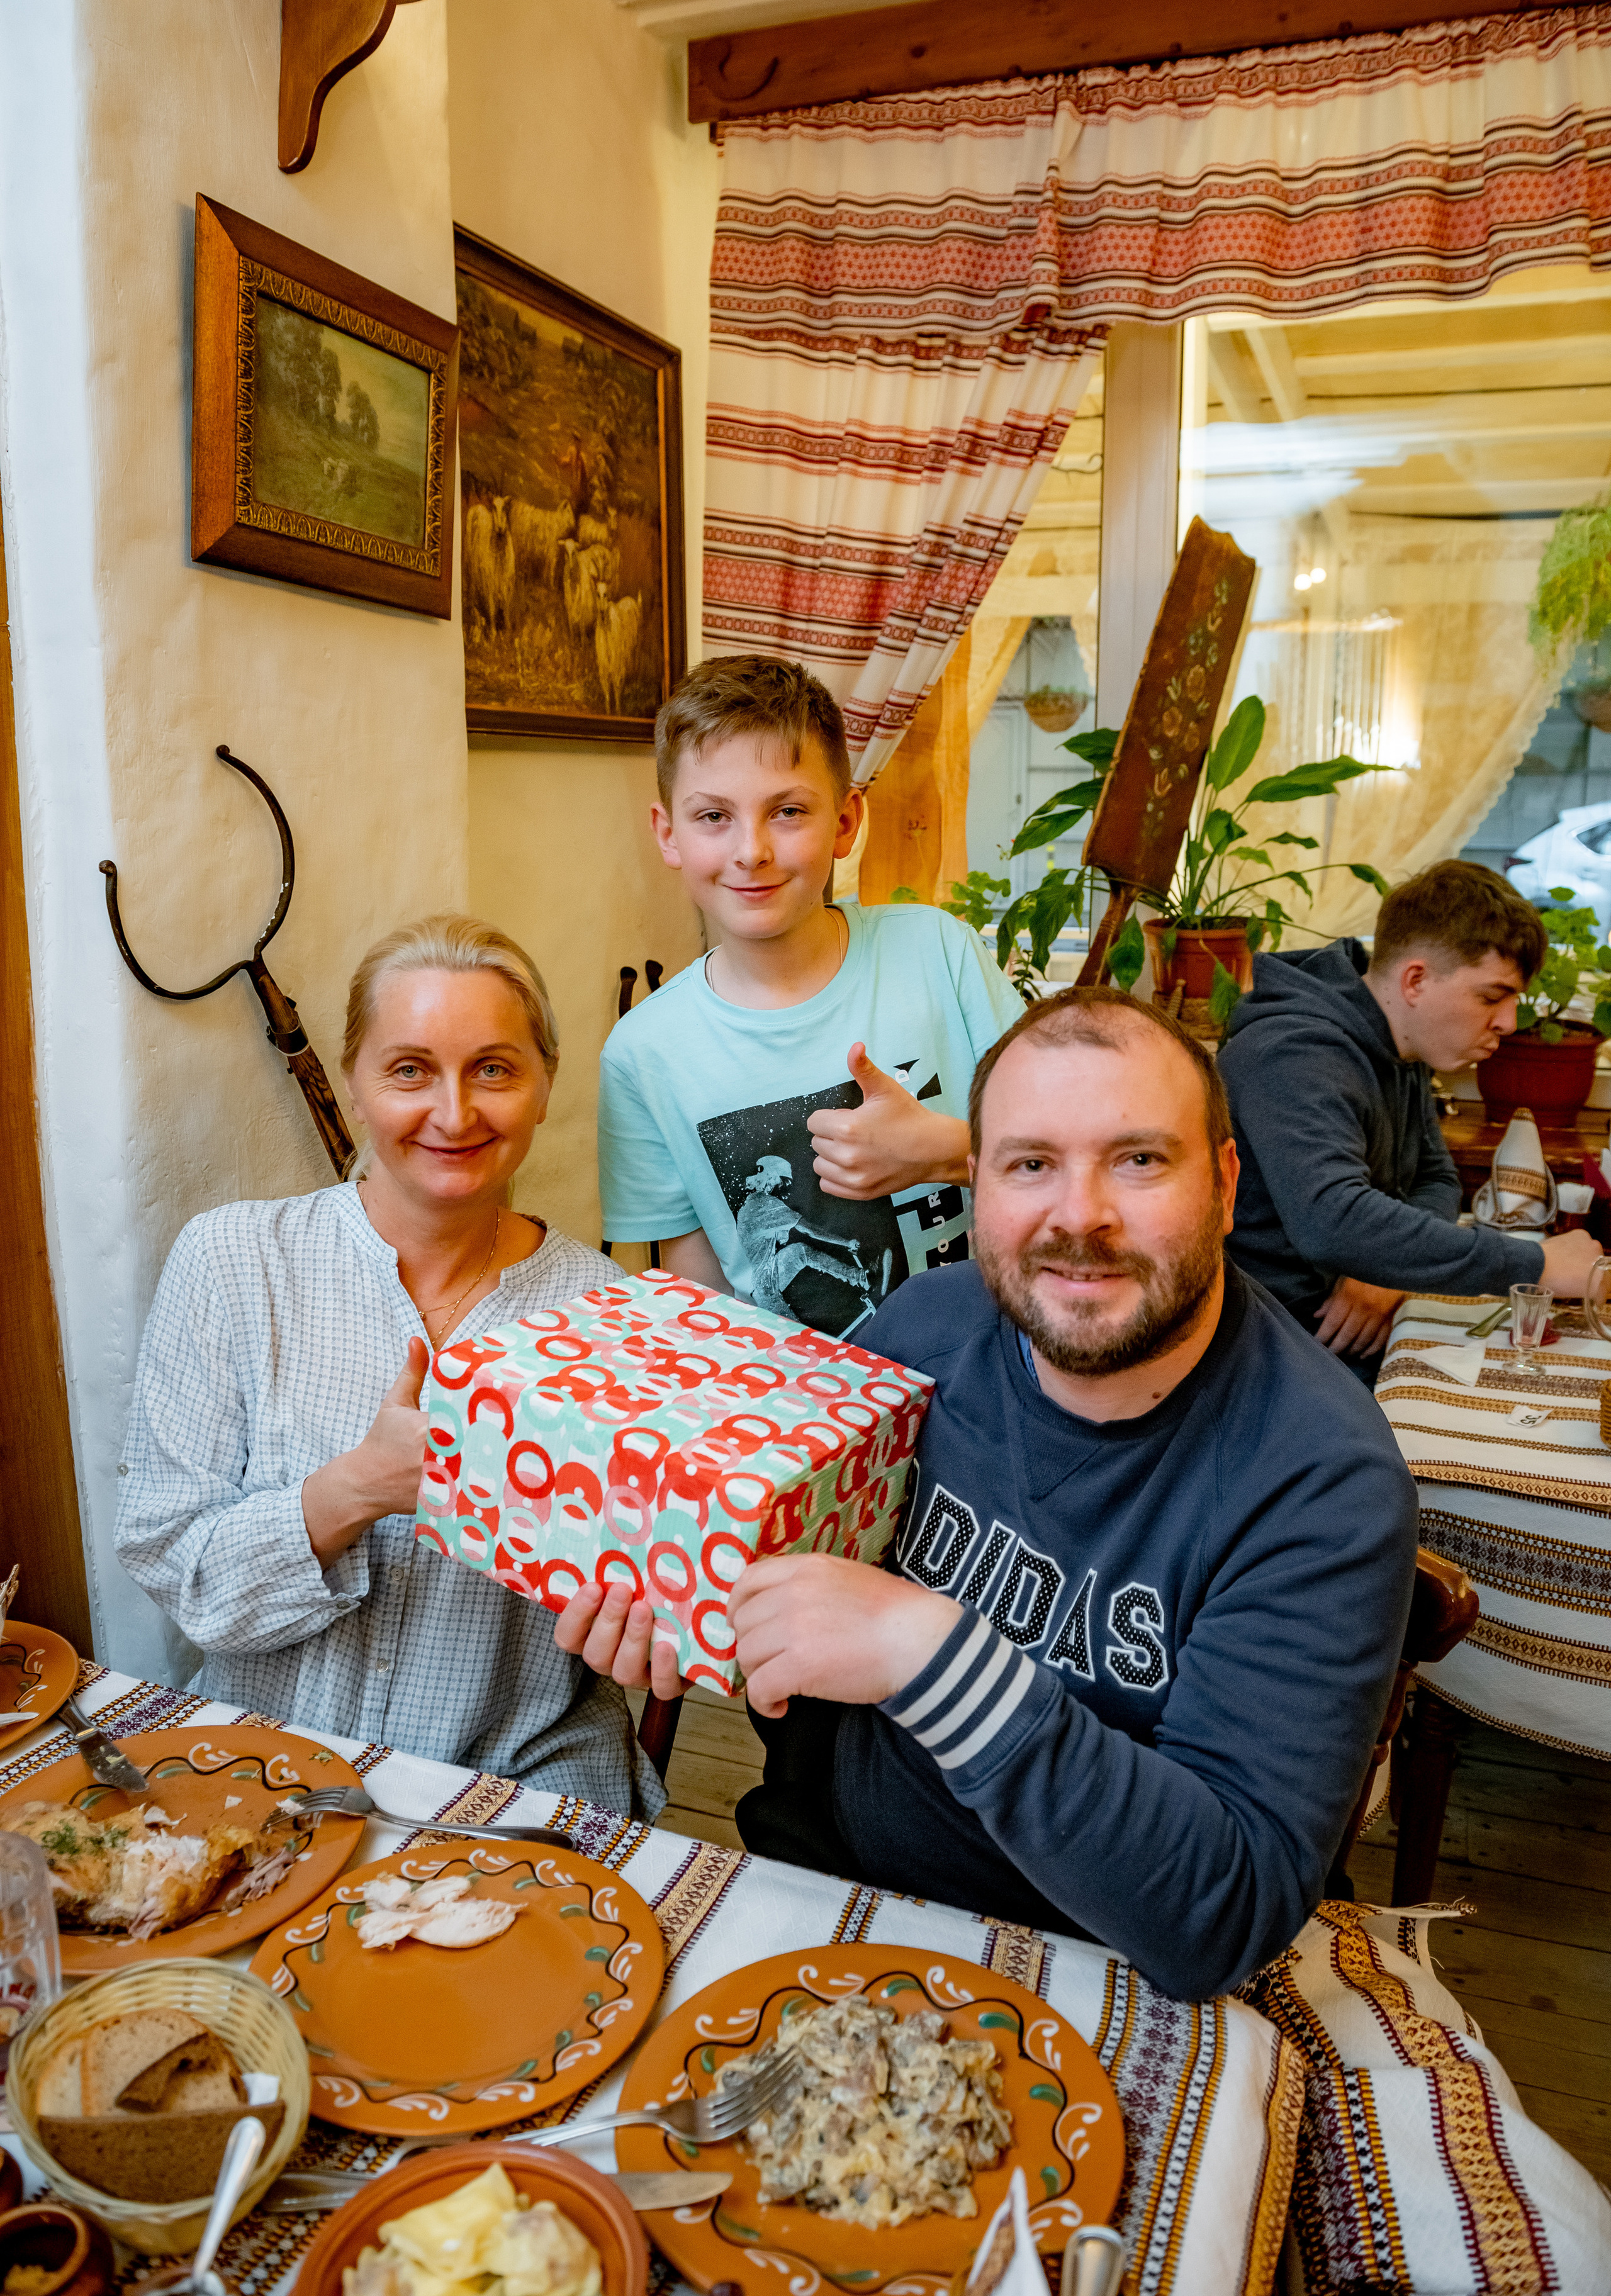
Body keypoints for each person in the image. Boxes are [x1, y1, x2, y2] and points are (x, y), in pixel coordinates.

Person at [564, 987, 1418, 2001]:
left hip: (1112, 1973)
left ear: (1226, 1186)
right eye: (1029, 1164)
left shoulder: (1323, 1481)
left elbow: (1219, 1915)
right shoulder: (918, 1333)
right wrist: (695, 1622)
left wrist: (928, 1653)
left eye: (1139, 1159)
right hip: (825, 1889)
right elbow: (801, 1678)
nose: (1079, 1215)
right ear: (976, 1185)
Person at [117, 915, 660, 1813]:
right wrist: (358, 1488)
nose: (454, 1112)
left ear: (545, 1087)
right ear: (357, 1086)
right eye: (410, 1069)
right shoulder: (233, 1263)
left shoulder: (609, 1317)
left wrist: (645, 1613)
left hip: (519, 1787)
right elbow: (177, 1564)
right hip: (267, 1770)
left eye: (494, 1067)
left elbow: (636, 1591)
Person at [596, 657, 1024, 1340]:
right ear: (668, 834)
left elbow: (1070, 1156)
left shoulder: (940, 955)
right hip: (798, 1416)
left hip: (996, 1372)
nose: (751, 851)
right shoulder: (641, 1055)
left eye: (788, 811)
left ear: (847, 821)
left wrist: (948, 1151)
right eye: (713, 816)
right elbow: (697, 1301)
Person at [1218, 860, 1602, 1377]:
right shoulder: (1292, 1054)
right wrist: (1538, 1265)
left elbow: (1437, 1178)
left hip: (1349, 1330)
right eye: (1492, 996)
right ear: (1416, 980)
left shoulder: (1403, 1046)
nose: (1509, 1022)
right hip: (1275, 1347)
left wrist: (1385, 1273)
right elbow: (1334, 1223)